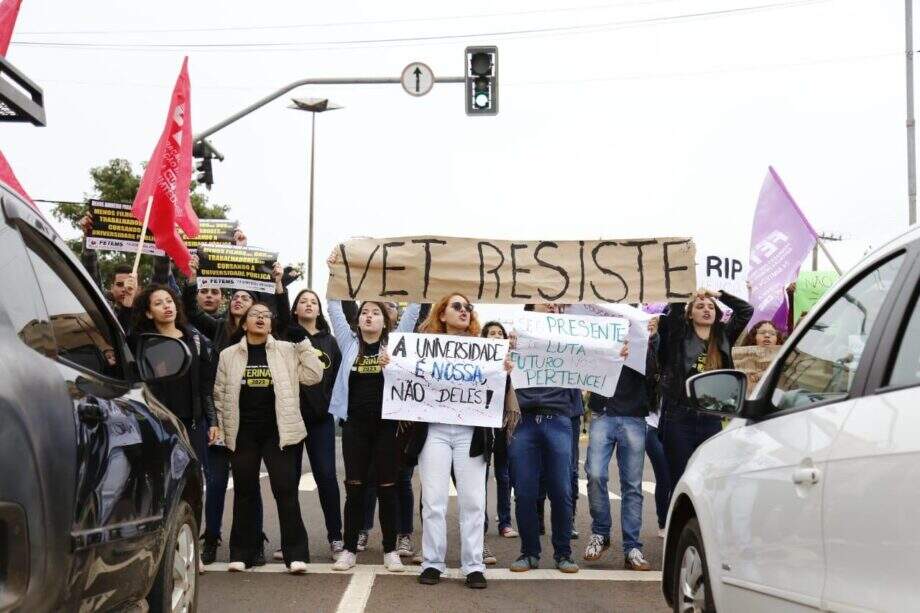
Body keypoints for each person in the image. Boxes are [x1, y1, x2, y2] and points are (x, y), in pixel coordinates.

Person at [401, 294, 516, 590]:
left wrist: (502, 371)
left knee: (474, 502)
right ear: (441, 314)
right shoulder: (422, 348)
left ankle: (474, 565)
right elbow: (403, 376)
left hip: (471, 434)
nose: (464, 311)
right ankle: (432, 562)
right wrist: (391, 362)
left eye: (468, 308)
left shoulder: (485, 350)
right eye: (457, 306)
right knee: (433, 501)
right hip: (434, 432)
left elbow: (495, 390)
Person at [213, 302, 324, 573]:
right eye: (255, 315)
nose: (261, 318)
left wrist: (303, 344)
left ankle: (295, 554)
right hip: (243, 432)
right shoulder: (228, 355)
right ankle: (242, 553)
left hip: (279, 431)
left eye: (266, 315)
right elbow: (219, 394)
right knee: (244, 491)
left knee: (285, 491)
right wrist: (223, 429)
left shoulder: (286, 350)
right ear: (244, 323)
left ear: (272, 324)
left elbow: (314, 375)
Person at [327, 286, 421, 573]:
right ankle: (349, 550)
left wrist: (421, 280)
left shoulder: (395, 344)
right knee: (354, 489)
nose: (369, 317)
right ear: (358, 320)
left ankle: (390, 550)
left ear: (385, 321)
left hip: (387, 428)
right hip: (355, 427)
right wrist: (335, 276)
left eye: (375, 313)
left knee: (388, 488)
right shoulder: (348, 342)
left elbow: (414, 311)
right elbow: (333, 308)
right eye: (364, 312)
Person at [270, 289, 345, 562]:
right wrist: (281, 287)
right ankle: (290, 540)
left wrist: (332, 408)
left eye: (313, 302)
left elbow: (338, 379)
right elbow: (276, 311)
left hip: (320, 421)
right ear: (295, 310)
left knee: (326, 477)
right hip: (289, 418)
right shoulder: (284, 338)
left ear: (319, 310)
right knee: (287, 481)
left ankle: (336, 537)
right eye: (303, 301)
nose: (309, 305)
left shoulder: (331, 342)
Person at [509, 303, 583, 575]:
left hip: (559, 419)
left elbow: (601, 359)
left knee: (562, 490)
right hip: (524, 421)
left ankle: (563, 553)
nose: (552, 302)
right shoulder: (514, 336)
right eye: (545, 297)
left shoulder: (574, 336)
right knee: (525, 492)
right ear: (531, 305)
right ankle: (529, 553)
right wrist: (507, 349)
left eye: (557, 299)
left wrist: (616, 353)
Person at [657, 288, 753, 489]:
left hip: (711, 417)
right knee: (679, 479)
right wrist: (686, 295)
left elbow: (746, 310)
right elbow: (674, 312)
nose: (706, 310)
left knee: (709, 479)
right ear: (690, 314)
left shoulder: (724, 336)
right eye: (700, 306)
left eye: (711, 307)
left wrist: (718, 295)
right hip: (679, 418)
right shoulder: (679, 336)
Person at [583, 318, 658, 572]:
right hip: (603, 413)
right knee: (594, 473)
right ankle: (601, 533)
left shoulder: (648, 336)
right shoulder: (600, 332)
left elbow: (657, 371)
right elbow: (584, 363)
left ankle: (632, 547)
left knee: (632, 486)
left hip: (635, 415)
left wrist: (653, 340)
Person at [130, 284, 218, 494]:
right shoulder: (143, 343)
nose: (166, 306)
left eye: (169, 301)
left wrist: (213, 421)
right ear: (149, 313)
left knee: (192, 482)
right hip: (159, 421)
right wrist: (128, 302)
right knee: (162, 482)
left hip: (192, 423)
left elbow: (205, 384)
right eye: (158, 304)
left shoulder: (194, 339)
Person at [481, 321, 517, 542]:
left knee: (504, 475)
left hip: (502, 424)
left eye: (499, 334)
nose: (495, 336)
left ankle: (505, 522)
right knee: (480, 476)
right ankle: (481, 523)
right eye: (491, 333)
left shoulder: (511, 362)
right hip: (483, 425)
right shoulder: (477, 361)